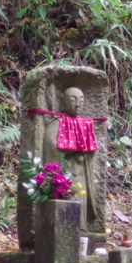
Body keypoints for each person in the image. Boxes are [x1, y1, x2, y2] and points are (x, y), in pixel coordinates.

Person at [34, 87, 105, 230]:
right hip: (65, 170)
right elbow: (50, 145)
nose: (78, 104)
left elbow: (91, 147)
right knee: (66, 197)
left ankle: (81, 228)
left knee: (80, 198)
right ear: (63, 102)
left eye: (81, 100)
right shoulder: (57, 123)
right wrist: (72, 148)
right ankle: (64, 230)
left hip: (81, 171)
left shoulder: (84, 123)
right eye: (73, 100)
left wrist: (84, 151)